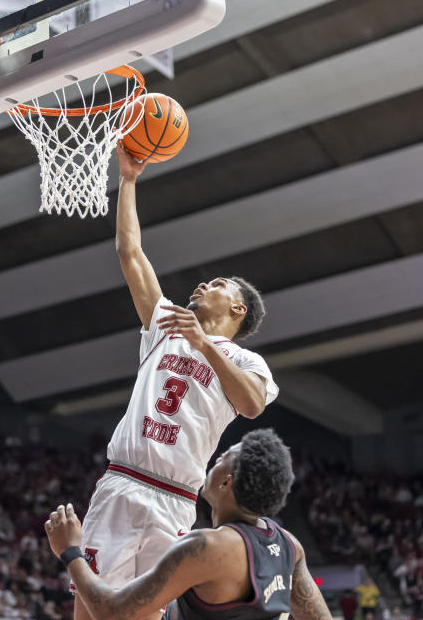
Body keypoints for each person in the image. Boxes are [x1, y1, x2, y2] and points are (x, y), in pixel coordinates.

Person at [71, 146, 280, 619]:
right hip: (123, 483)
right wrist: (127, 180)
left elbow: (250, 406)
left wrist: (205, 347)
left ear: (238, 309)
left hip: (176, 500)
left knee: (146, 615)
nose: (206, 284)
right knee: (90, 611)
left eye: (220, 283)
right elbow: (130, 252)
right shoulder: (166, 323)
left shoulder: (247, 360)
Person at [45, 428, 330, 620]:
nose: (212, 463)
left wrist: (70, 552)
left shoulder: (206, 547)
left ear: (226, 481)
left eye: (220, 459)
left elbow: (109, 611)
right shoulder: (289, 546)